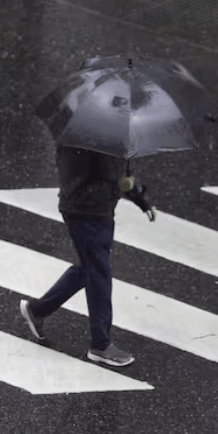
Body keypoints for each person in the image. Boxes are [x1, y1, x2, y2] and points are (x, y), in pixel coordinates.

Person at [20, 144, 156, 367]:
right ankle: (101, 345)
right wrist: (128, 186)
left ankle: (38, 310)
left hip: (89, 208)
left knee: (91, 268)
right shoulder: (94, 137)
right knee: (99, 273)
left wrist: (137, 194)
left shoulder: (84, 128)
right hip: (88, 211)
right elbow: (108, 172)